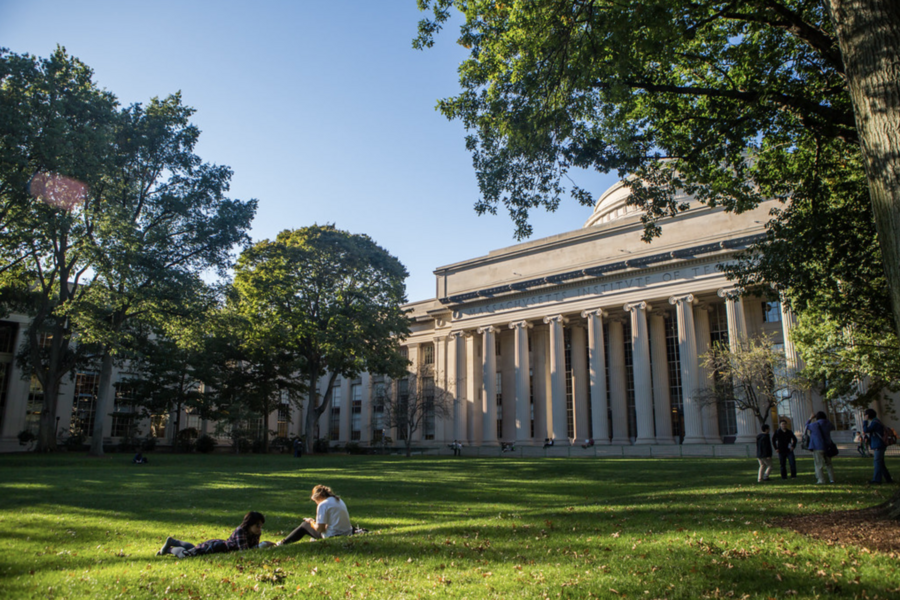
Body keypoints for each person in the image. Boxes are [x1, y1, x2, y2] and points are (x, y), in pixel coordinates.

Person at [158, 511, 265, 558]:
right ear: (249, 524)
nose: (259, 528)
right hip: (216, 547)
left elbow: (252, 548)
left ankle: (173, 541)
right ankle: (169, 549)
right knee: (186, 555)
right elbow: (245, 551)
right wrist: (262, 546)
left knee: (194, 549)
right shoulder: (241, 531)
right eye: (257, 525)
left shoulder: (256, 532)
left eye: (260, 525)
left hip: (219, 546)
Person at [278, 485, 352, 545]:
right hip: (347, 533)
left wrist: (311, 522)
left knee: (304, 525)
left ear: (318, 497)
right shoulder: (338, 500)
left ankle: (283, 543)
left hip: (332, 535)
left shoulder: (323, 505)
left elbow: (320, 529)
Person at [863, 408, 894, 485]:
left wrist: (865, 421)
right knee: (881, 463)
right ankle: (888, 479)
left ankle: (876, 480)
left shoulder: (875, 423)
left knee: (877, 462)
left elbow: (866, 430)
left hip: (878, 445)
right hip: (879, 444)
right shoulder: (877, 421)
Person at [806, 411, 835, 484]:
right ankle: (832, 479)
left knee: (818, 464)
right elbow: (833, 427)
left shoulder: (814, 425)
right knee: (829, 464)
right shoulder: (828, 424)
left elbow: (806, 426)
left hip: (817, 446)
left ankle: (821, 480)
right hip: (827, 446)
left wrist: (810, 418)